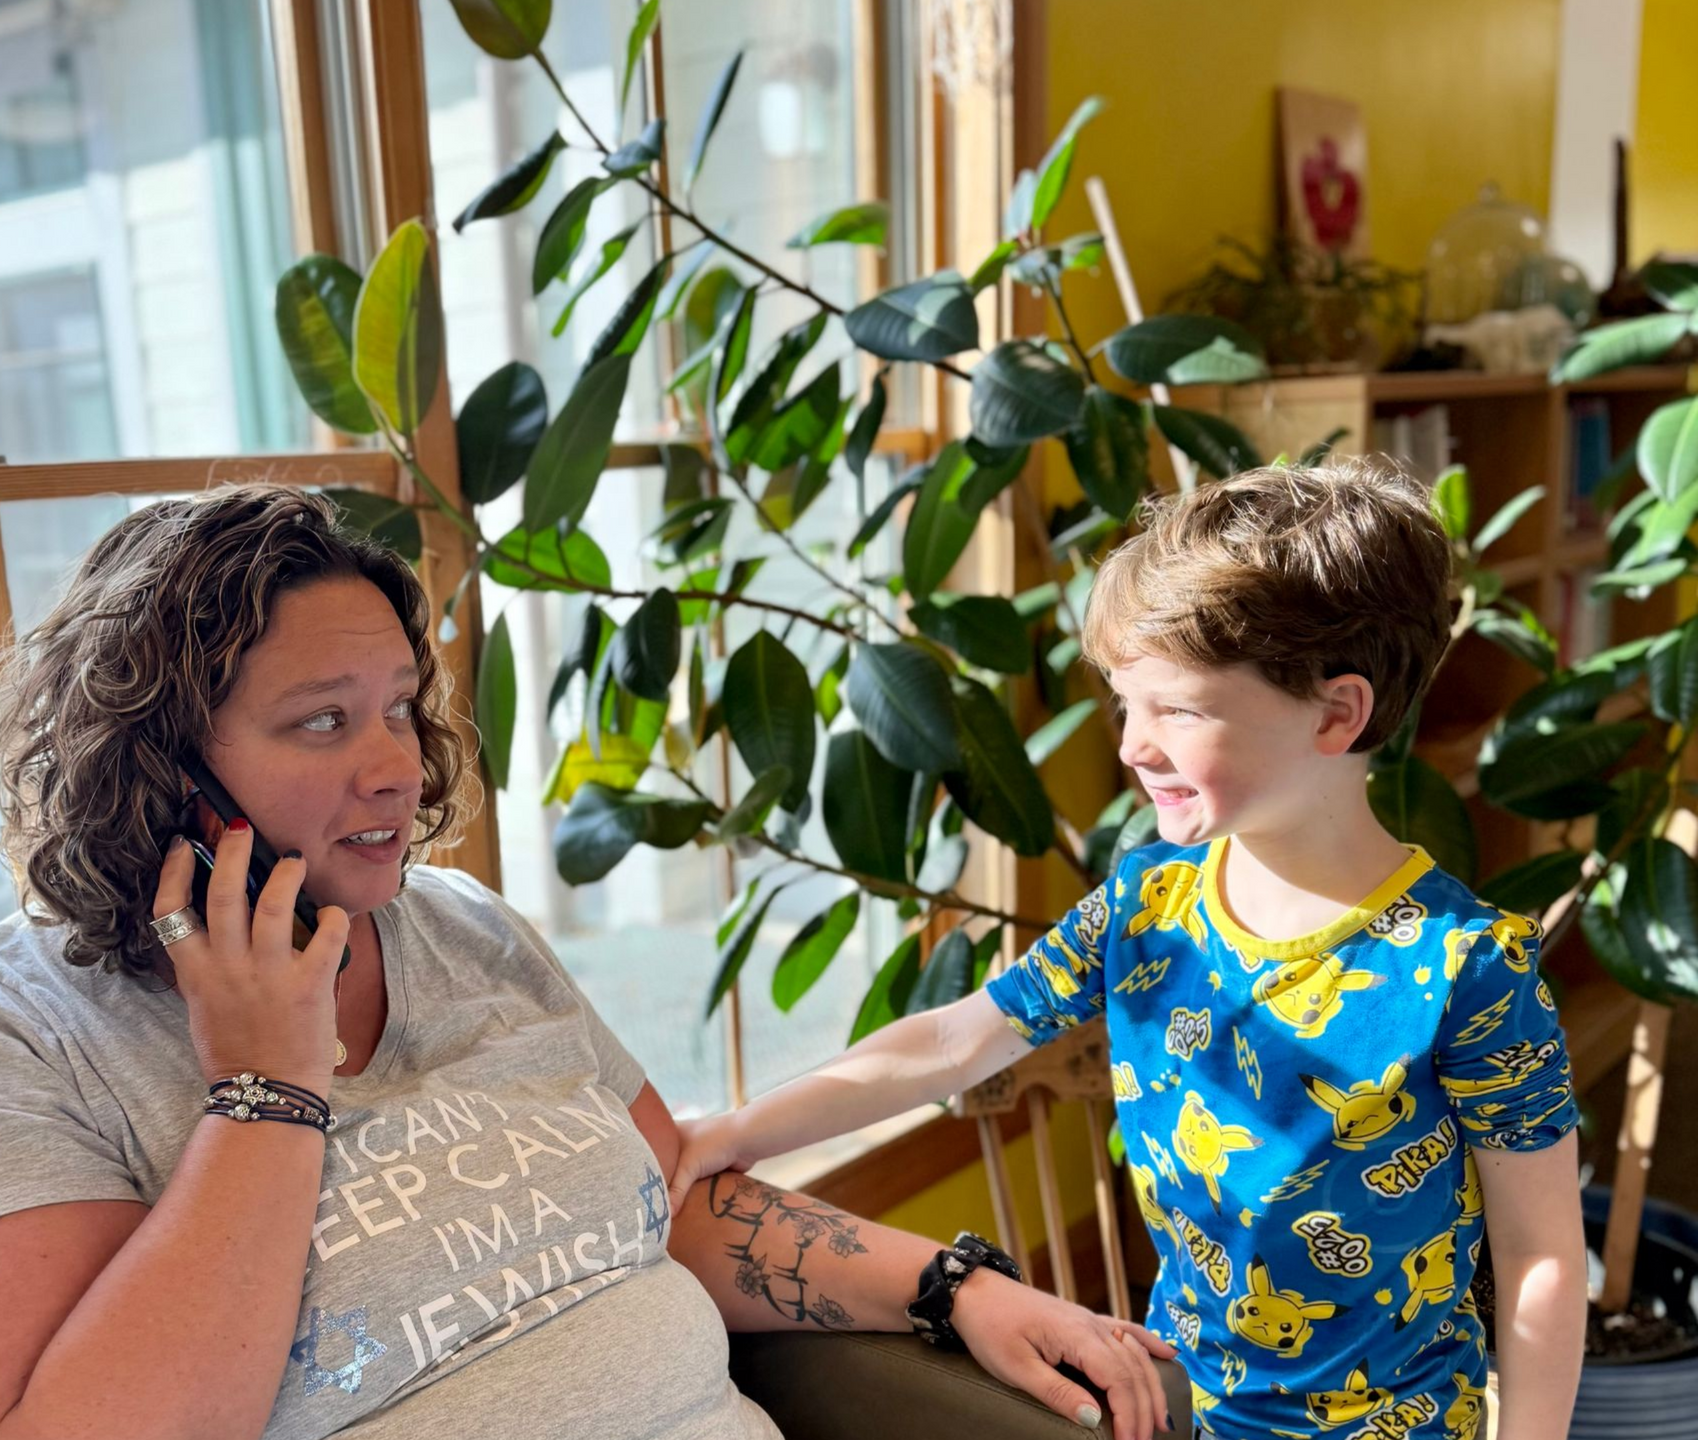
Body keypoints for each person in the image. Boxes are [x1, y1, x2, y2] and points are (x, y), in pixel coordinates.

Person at [0, 483, 1176, 1440]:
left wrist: (952, 1285)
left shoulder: (462, 928)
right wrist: (265, 1090)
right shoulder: (0, 1057)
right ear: (153, 767)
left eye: (396, 708)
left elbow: (664, 1200)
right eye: (321, 724)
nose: (395, 765)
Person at [670, 461, 1587, 1440]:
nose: (1132, 747)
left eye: (1178, 710)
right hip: (1174, 1408)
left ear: (1336, 714)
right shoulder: (1143, 906)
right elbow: (951, 1044)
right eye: (1124, 703)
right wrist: (739, 1133)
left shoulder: (1470, 970)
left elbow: (1540, 1253)